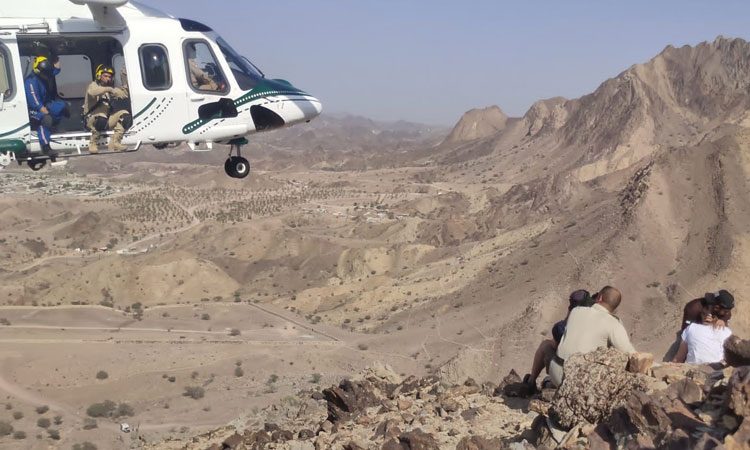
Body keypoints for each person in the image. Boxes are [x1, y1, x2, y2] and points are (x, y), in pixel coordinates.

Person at [548, 286, 636, 388]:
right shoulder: (614, 324)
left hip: (556, 374)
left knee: (546, 347)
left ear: (599, 298)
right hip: (580, 381)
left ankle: (536, 383)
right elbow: (630, 353)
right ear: (615, 307)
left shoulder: (576, 311)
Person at [522, 289, 592, 393]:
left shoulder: (562, 328)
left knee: (546, 345)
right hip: (589, 375)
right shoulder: (595, 322)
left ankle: (531, 382)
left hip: (569, 373)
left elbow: (555, 345)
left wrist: (569, 316)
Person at [24, 56, 69, 159]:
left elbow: (56, 70)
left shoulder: (45, 74)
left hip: (46, 103)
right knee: (46, 120)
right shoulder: (31, 82)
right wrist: (45, 112)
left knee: (63, 107)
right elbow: (34, 102)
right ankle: (45, 146)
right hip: (33, 110)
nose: (48, 76)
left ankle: (54, 125)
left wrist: (55, 57)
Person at [673, 291, 734, 364]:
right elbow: (686, 325)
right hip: (694, 325)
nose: (727, 313)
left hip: (711, 327)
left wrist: (723, 320)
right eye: (726, 311)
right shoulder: (693, 308)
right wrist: (695, 331)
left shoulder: (722, 308)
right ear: (717, 307)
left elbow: (728, 315)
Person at [83, 64, 130, 153]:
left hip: (105, 119)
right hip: (92, 120)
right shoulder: (93, 85)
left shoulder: (109, 89)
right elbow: (92, 92)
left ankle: (115, 142)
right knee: (101, 117)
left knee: (125, 115)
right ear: (99, 75)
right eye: (105, 76)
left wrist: (123, 77)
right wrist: (109, 89)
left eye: (109, 77)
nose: (107, 78)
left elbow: (124, 94)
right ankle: (93, 143)